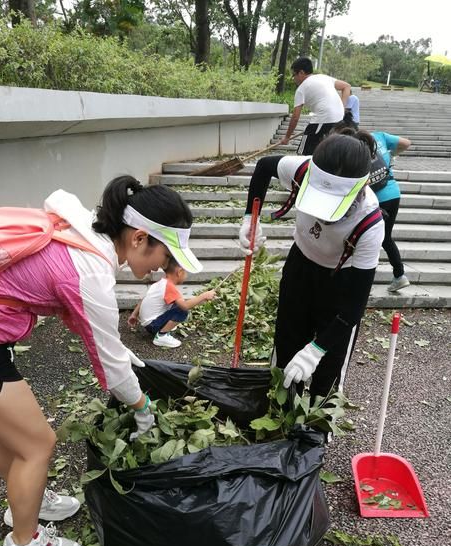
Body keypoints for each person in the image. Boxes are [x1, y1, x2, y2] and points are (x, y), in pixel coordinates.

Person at [0, 175, 202, 546]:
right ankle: (23, 544)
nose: (163, 270)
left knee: (6, 433)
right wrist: (141, 406)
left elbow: (94, 331)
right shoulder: (91, 271)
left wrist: (120, 352)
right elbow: (110, 365)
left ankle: (27, 501)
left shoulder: (81, 231)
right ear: (138, 238)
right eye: (165, 258)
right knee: (38, 445)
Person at [239, 131, 384, 397]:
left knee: (330, 360)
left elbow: (354, 306)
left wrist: (316, 350)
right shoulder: (302, 169)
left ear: (358, 190)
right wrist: (251, 217)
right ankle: (284, 407)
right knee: (287, 343)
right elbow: (264, 167)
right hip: (301, 265)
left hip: (342, 281)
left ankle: (319, 422)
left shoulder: (370, 224)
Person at [128, 258, 216, 348]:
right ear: (180, 272)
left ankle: (164, 328)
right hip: (153, 325)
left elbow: (144, 299)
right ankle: (161, 336)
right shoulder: (169, 287)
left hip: (148, 323)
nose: (186, 276)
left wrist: (134, 315)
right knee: (182, 311)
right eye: (185, 273)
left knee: (177, 304)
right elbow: (185, 306)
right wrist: (203, 295)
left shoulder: (160, 283)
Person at [281, 57, 351, 155]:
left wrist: (287, 137)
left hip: (324, 119)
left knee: (303, 153)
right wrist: (342, 108)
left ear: (301, 73)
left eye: (294, 75)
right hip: (339, 119)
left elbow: (295, 117)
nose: (293, 79)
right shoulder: (323, 77)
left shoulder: (301, 89)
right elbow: (346, 86)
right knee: (323, 151)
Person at [371, 131, 412, 292]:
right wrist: (392, 154)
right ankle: (399, 275)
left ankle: (358, 274)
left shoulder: (352, 146)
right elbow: (406, 143)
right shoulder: (379, 136)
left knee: (367, 236)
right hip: (393, 192)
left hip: (374, 199)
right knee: (385, 237)